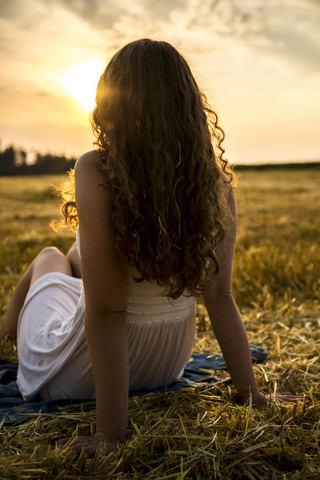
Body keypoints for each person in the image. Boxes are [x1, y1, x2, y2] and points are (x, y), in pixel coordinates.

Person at [0, 39, 307, 457]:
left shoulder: (98, 168)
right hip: (166, 362)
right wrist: (253, 396)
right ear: (189, 108)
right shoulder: (215, 185)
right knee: (76, 259)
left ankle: (4, 337)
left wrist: (110, 434)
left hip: (79, 374)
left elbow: (109, 311)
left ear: (111, 107)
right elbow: (221, 296)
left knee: (51, 258)